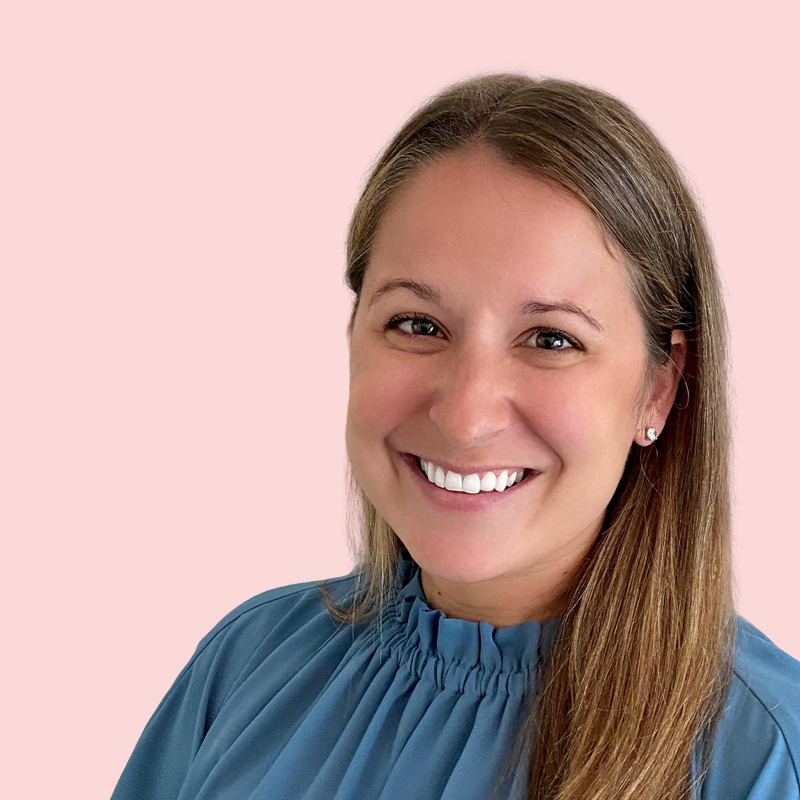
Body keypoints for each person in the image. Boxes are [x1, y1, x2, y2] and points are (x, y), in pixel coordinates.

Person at [110, 73, 800, 800]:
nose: (466, 416)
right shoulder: (245, 665)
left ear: (659, 386)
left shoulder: (768, 759)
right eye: (417, 325)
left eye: (550, 339)